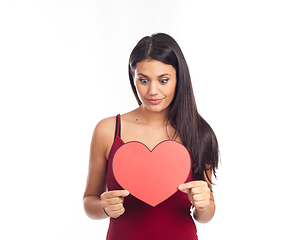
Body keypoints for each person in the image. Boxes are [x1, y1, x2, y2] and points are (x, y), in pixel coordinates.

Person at [83, 33, 219, 240]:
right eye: (143, 80)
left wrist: (203, 203)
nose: (153, 91)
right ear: (133, 76)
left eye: (163, 80)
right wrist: (103, 206)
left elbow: (205, 214)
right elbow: (89, 201)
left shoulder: (199, 133)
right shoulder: (108, 130)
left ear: (179, 78)